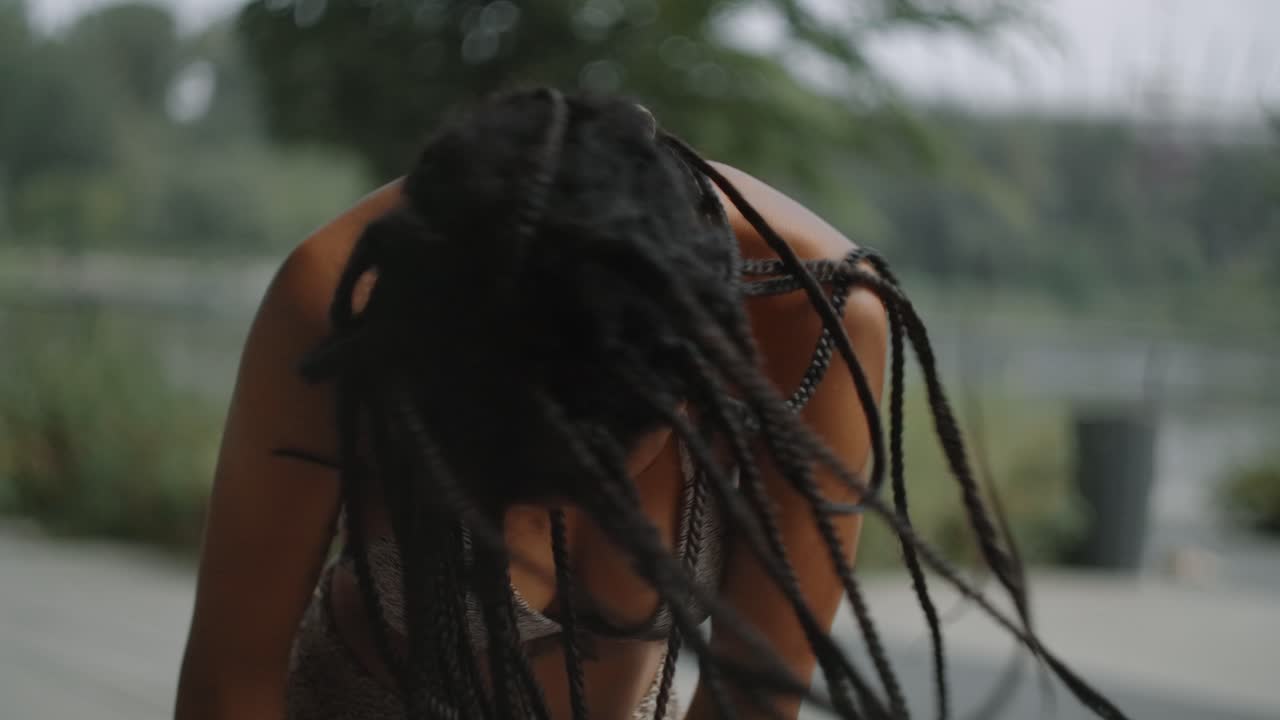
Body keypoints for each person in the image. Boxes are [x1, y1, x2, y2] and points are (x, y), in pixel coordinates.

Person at [174, 88, 1125, 720]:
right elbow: (230, 683)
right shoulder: (341, 302)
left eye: (583, 466)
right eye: (497, 467)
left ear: (700, 377)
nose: (539, 509)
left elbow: (754, 706)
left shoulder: (817, 328)